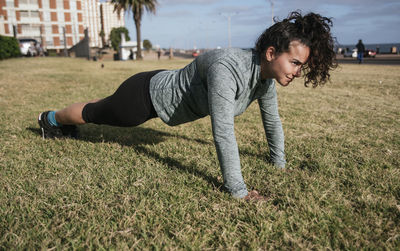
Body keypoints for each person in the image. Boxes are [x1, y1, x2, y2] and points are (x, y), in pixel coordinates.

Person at [38, 11, 337, 201]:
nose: (298, 71)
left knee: (100, 106)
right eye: (295, 62)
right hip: (145, 97)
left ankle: (63, 120)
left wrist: (279, 164)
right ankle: (50, 119)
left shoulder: (264, 79)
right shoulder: (227, 69)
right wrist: (239, 191)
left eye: (301, 65)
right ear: (272, 52)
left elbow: (272, 121)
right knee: (96, 113)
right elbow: (223, 133)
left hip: (156, 89)